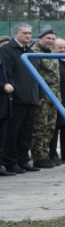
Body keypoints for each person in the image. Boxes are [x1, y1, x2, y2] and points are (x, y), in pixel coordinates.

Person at [0, 24, 41, 174]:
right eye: (25, 33)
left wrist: (38, 95)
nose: (28, 36)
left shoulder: (30, 52)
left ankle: (24, 160)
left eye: (30, 33)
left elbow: (36, 76)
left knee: (26, 133)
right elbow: (7, 74)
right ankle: (11, 162)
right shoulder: (6, 51)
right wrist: (12, 93)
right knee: (13, 134)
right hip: (15, 100)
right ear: (16, 33)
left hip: (30, 99)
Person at [30, 28, 60, 169]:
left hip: (53, 97)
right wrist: (38, 96)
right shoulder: (33, 53)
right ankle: (38, 157)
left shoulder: (51, 54)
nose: (50, 41)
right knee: (39, 128)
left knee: (49, 128)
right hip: (42, 97)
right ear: (40, 38)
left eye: (53, 39)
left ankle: (46, 155)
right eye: (48, 38)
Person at [0, 37, 14, 176]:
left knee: (3, 137)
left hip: (4, 105)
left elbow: (9, 76)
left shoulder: (2, 60)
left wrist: (10, 84)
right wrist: (3, 86)